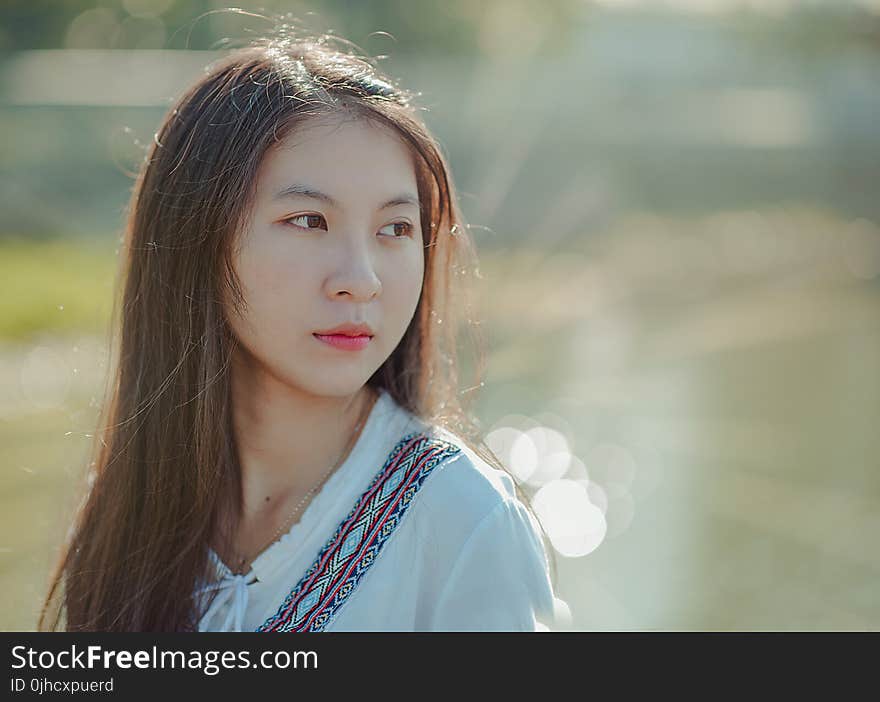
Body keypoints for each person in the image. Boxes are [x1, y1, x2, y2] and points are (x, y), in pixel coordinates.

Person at [39, 27, 565, 632]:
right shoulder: (128, 511)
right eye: (309, 220)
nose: (361, 280)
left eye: (395, 228)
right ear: (196, 240)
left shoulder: (465, 523)